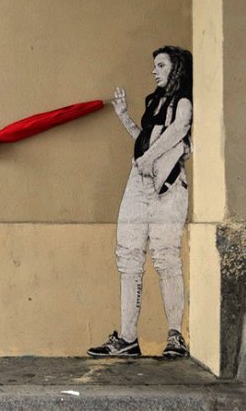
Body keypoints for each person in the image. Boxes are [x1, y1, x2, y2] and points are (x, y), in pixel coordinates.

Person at [88, 46, 193, 358]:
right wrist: (124, 117)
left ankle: (175, 337)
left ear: (176, 68)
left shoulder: (183, 102)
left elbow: (179, 129)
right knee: (129, 255)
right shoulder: (153, 102)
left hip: (167, 185)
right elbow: (144, 140)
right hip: (138, 182)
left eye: (161, 65)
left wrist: (149, 157)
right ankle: (128, 338)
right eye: (154, 66)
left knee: (166, 257)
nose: (154, 71)